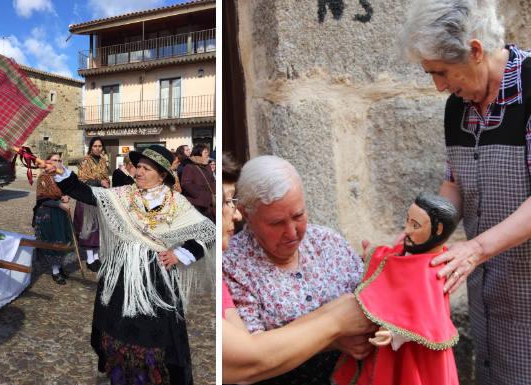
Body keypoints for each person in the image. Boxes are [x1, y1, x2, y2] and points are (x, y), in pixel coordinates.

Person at [400, 1, 531, 383]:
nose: (439, 86)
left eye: (441, 72)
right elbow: (455, 184)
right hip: (490, 300)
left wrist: (473, 250)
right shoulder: (458, 106)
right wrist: (421, 230)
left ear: (475, 50)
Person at [46, 144, 215, 385]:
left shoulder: (177, 203)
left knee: (154, 339)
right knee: (116, 333)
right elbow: (86, 193)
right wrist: (61, 172)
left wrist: (180, 254)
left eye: (146, 169)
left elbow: (207, 233)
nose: (138, 173)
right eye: (138, 167)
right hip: (122, 276)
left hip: (155, 279)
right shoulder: (124, 195)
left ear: (163, 174)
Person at [221, 153, 375, 384]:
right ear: (247, 214)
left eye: (298, 215)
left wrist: (386, 268)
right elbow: (250, 357)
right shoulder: (231, 264)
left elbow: (370, 304)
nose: (292, 233)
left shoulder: (327, 241)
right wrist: (334, 334)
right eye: (276, 223)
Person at [333, 193, 460, 385]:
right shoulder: (412, 249)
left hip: (413, 351)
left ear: (438, 229)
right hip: (388, 345)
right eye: (408, 221)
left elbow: (427, 317)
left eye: (415, 225)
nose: (407, 230)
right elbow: (393, 259)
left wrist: (395, 333)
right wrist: (372, 254)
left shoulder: (434, 270)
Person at [32, 153, 74, 285]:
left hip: (61, 213)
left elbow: (68, 191)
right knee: (52, 241)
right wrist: (60, 203)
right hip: (48, 213)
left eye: (59, 160)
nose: (56, 162)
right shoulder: (43, 177)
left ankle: (60, 267)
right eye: (54, 160)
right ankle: (55, 271)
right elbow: (42, 198)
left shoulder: (62, 176)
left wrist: (66, 196)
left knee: (63, 239)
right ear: (47, 161)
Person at [73, 137, 110, 272]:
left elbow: (106, 177)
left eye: (100, 146)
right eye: (95, 146)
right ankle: (89, 258)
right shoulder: (85, 161)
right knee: (88, 226)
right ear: (91, 147)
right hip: (86, 196)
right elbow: (81, 179)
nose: (98, 148)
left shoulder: (103, 161)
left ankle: (95, 257)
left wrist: (106, 184)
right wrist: (99, 183)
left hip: (99, 197)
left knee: (97, 227)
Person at [180, 143, 215, 221]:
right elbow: (186, 184)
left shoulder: (207, 165)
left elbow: (212, 180)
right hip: (196, 204)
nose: (207, 154)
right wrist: (200, 195)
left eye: (207, 152)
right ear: (199, 153)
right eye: (205, 152)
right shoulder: (189, 166)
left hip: (209, 203)